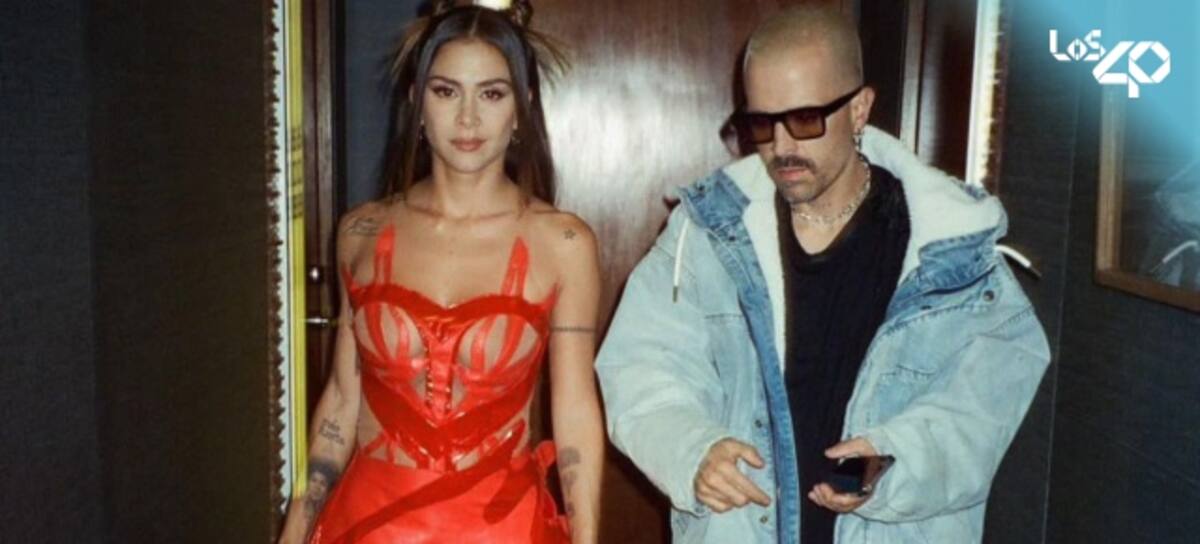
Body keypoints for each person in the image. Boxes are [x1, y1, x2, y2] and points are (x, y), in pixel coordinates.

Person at [595, 5, 1050, 543]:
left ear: (859, 109)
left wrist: (890, 461)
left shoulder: (952, 248)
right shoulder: (707, 233)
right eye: (762, 124)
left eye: (806, 119)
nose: (782, 147)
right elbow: (641, 366)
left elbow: (980, 409)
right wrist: (692, 450)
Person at [277, 1, 604, 542]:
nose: (468, 119)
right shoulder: (359, 231)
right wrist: (295, 527)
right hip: (368, 524)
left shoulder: (564, 243)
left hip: (501, 528)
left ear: (522, 106)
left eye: (491, 94)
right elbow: (341, 396)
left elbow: (574, 411)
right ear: (416, 100)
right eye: (446, 91)